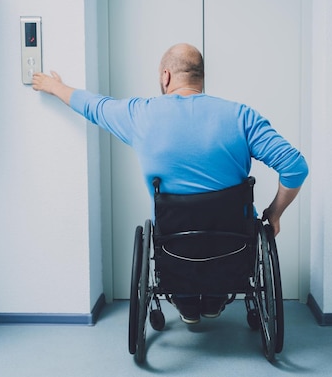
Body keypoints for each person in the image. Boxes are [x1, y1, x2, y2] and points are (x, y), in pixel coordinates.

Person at [32, 43, 308, 324]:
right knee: (231, 243)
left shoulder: (140, 115)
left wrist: (55, 87)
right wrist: (274, 214)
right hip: (233, 247)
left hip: (174, 248)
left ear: (165, 76)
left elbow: (93, 106)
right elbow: (295, 167)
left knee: (175, 246)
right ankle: (216, 297)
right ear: (200, 78)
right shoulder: (241, 116)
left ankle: (186, 302)